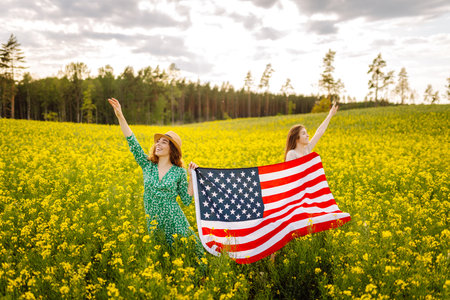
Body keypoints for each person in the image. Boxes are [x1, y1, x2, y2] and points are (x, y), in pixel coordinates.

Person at [107, 97, 203, 256]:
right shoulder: (147, 165)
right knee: (161, 258)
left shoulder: (178, 172)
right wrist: (120, 116)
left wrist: (192, 178)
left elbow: (186, 201)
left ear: (172, 149)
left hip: (175, 222)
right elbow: (132, 142)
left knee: (185, 255)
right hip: (154, 222)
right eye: (158, 141)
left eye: (164, 142)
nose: (158, 144)